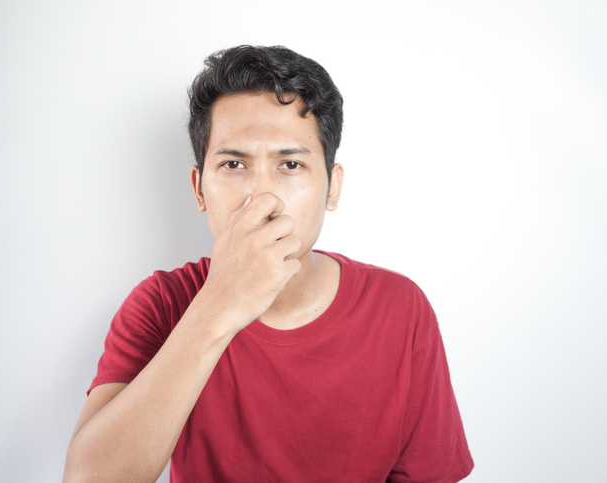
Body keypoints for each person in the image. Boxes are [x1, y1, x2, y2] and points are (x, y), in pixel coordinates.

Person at [63, 45, 474, 483]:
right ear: (199, 189)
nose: (262, 197)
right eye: (234, 163)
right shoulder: (163, 302)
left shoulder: (399, 308)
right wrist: (220, 304)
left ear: (332, 188)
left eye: (291, 164)